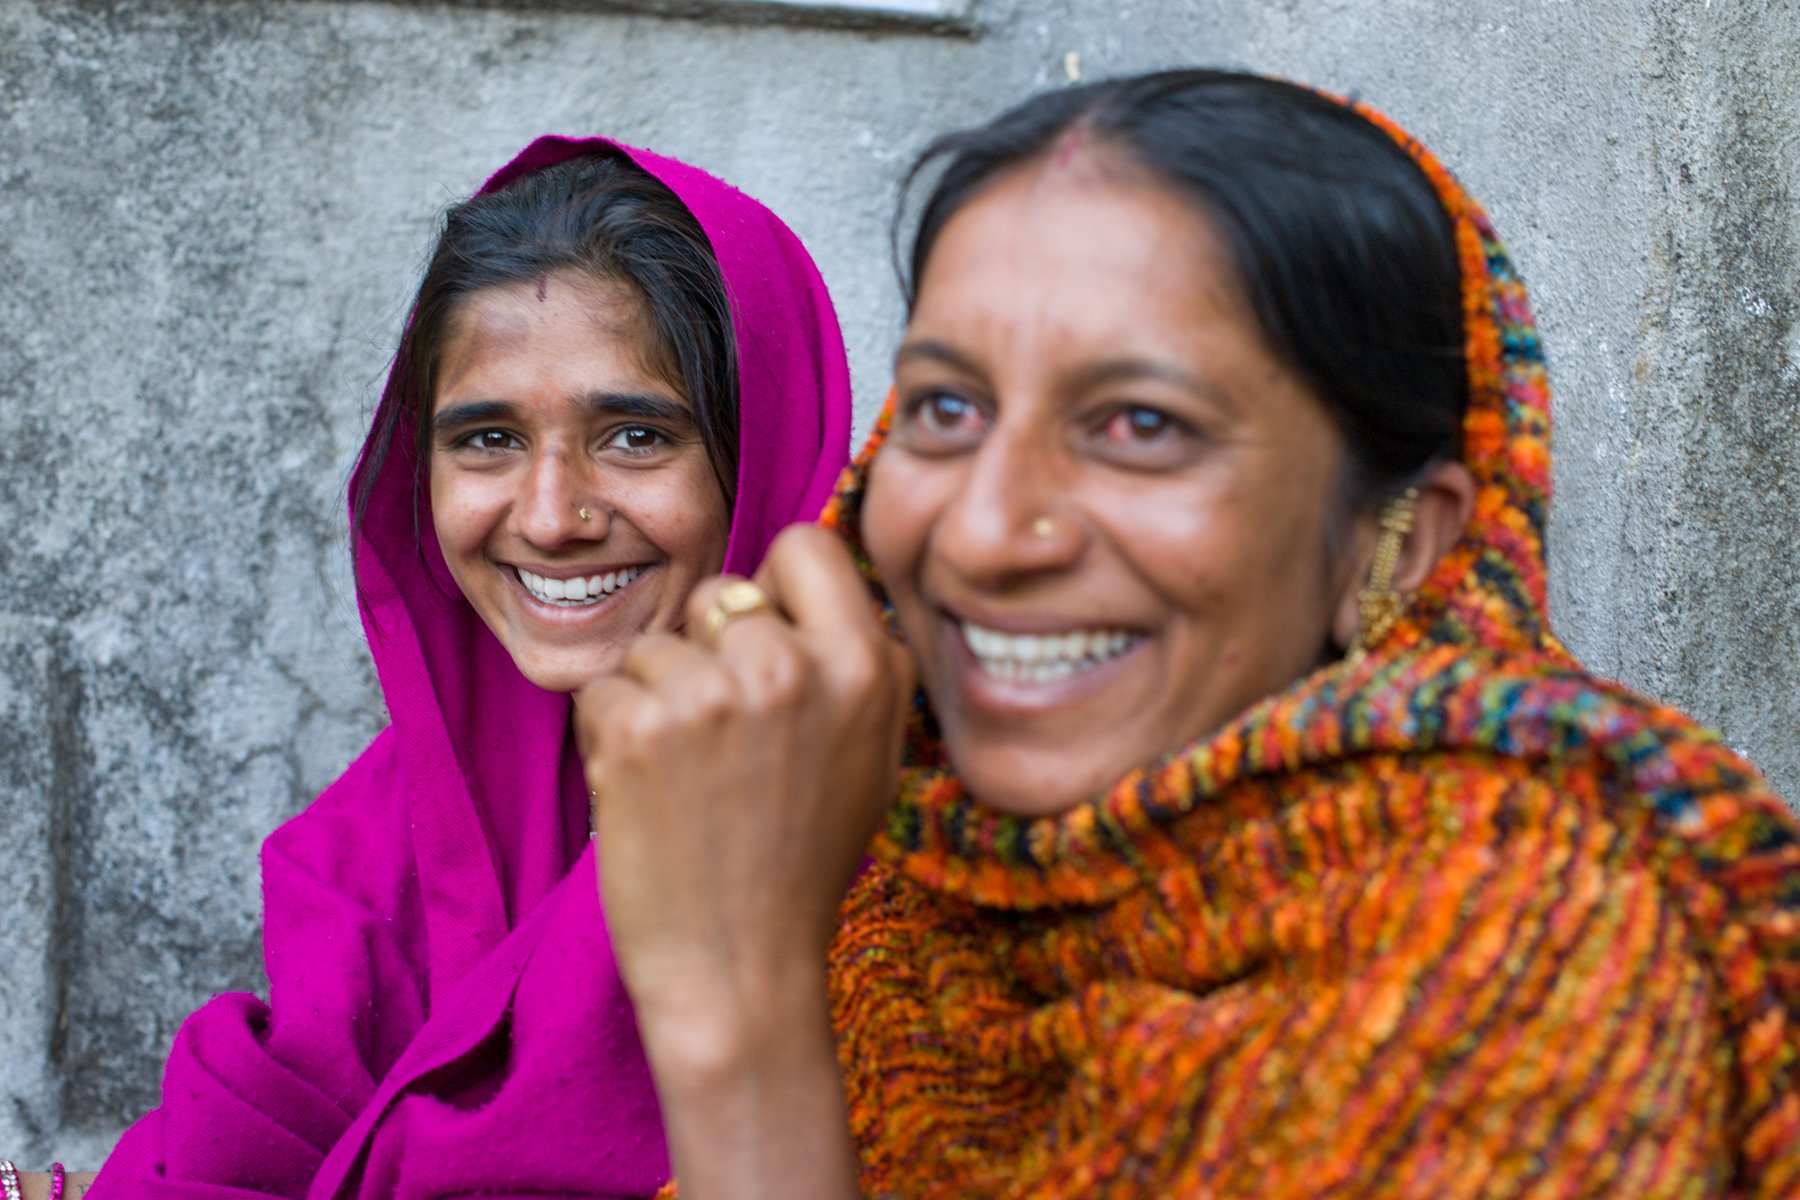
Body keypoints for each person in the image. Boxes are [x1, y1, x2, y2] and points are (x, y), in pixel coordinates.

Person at [574, 70, 1800, 1197]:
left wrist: (735, 1019)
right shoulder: (912, 913)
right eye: (947, 408)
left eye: (1141, 426)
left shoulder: (1532, 957)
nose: (988, 533)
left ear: (1398, 544)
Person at [84, 136, 852, 1198]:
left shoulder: (879, 853)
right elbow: (250, 1131)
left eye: (633, 435)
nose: (548, 516)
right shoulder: (400, 817)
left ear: (764, 450)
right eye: (486, 439)